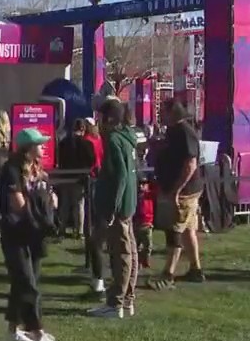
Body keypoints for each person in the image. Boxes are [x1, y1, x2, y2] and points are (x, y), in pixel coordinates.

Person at [0, 127, 59, 341]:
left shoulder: (38, 169)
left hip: (35, 234)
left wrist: (50, 200)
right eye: (40, 144)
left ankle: (13, 330)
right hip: (16, 233)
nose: (43, 147)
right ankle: (37, 331)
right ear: (28, 148)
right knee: (27, 283)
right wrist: (38, 213)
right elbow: (18, 204)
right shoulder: (11, 169)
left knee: (21, 284)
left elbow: (49, 195)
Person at [87, 99, 140, 318]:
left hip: (118, 206)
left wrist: (112, 207)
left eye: (100, 117)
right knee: (130, 251)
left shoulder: (114, 140)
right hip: (128, 203)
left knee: (121, 254)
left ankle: (116, 303)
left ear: (108, 119)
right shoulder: (127, 137)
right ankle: (127, 299)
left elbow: (120, 176)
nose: (97, 122)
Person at [150, 99, 205, 289]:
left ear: (172, 112)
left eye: (163, 111)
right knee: (188, 229)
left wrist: (176, 190)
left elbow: (190, 164)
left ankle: (168, 274)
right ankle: (196, 270)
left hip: (184, 192)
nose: (161, 115)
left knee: (175, 231)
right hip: (180, 189)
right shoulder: (173, 132)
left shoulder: (185, 132)